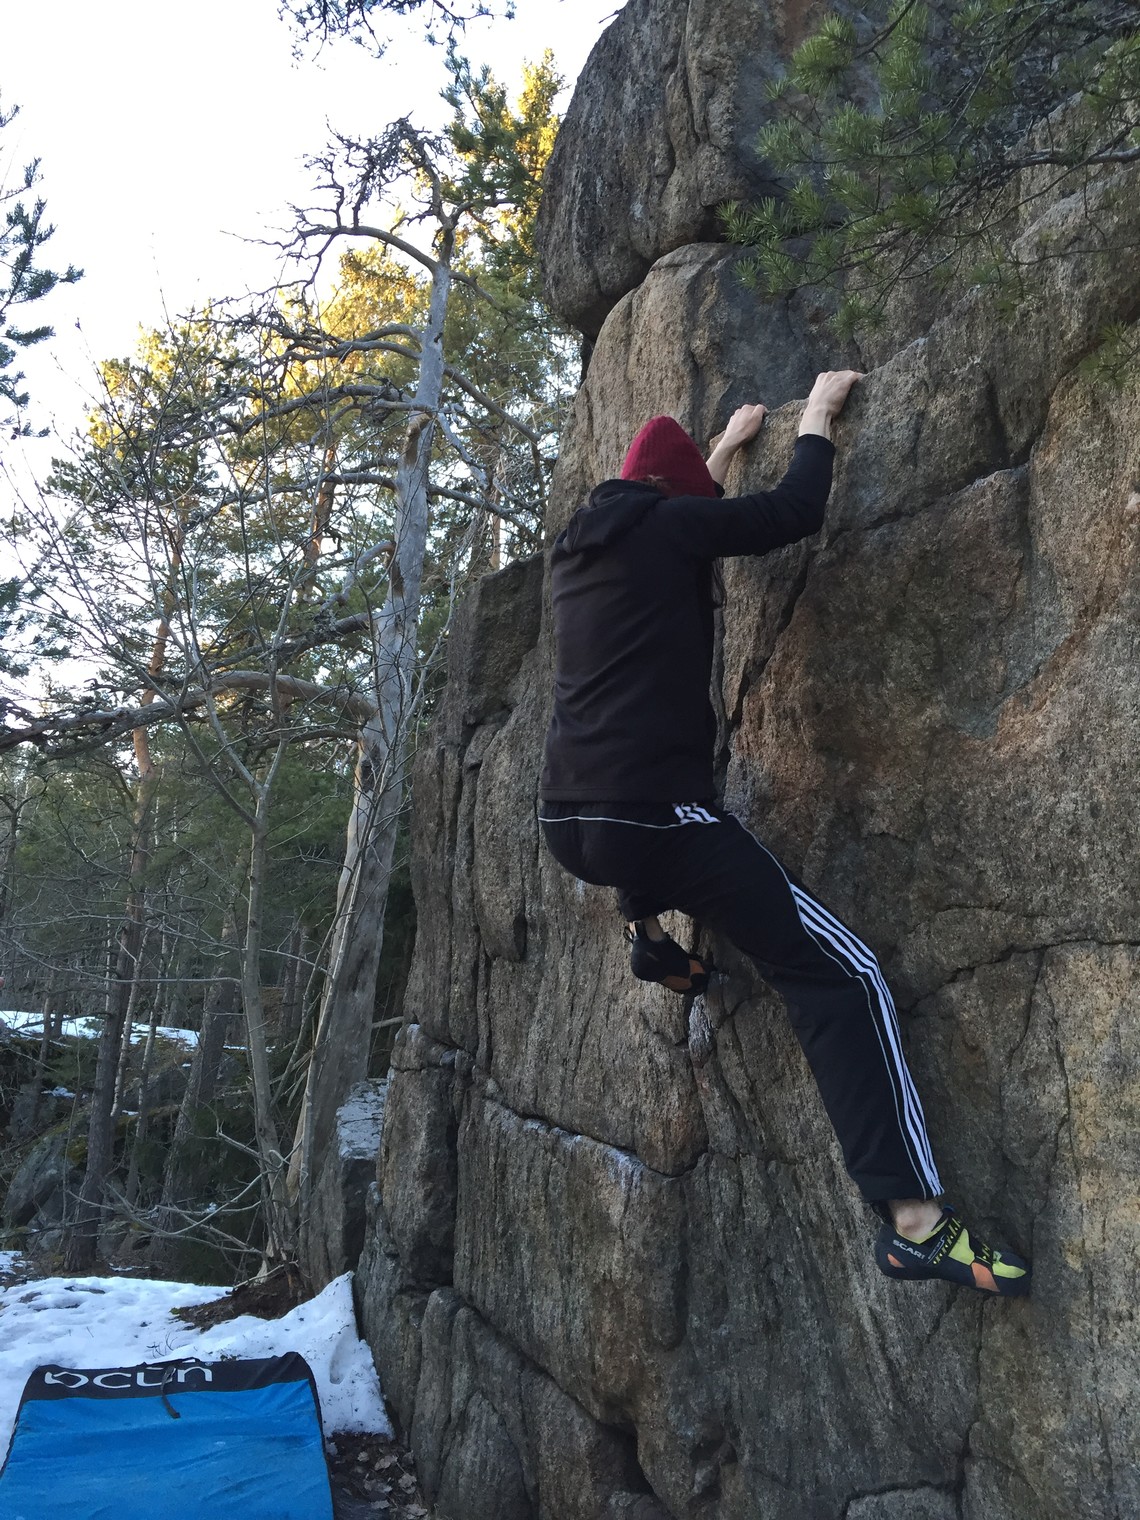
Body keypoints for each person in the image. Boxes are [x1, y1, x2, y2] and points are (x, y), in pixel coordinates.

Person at [538, 373, 1031, 1298]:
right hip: (655, 820)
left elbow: (679, 510)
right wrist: (818, 417)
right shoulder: (671, 530)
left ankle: (650, 935)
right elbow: (791, 513)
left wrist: (724, 446)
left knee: (636, 830)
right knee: (844, 975)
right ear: (675, 498)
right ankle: (916, 1225)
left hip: (570, 824)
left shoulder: (580, 548)